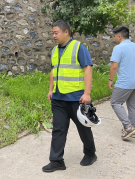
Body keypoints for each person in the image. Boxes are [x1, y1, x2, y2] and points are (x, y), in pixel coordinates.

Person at [42, 20, 97, 173]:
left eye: (56, 32)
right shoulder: (54, 51)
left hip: (77, 98)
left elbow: (88, 68)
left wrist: (87, 93)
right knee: (58, 130)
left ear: (66, 32)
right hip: (59, 99)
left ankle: (90, 154)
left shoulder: (79, 47)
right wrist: (50, 89)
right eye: (52, 33)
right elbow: (53, 71)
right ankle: (56, 160)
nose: (53, 35)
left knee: (83, 129)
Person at [108, 26, 135, 139]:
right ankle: (133, 127)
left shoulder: (118, 48)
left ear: (119, 36)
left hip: (125, 82)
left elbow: (114, 66)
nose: (114, 38)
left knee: (115, 102)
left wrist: (110, 79)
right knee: (132, 105)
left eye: (114, 36)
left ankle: (128, 127)